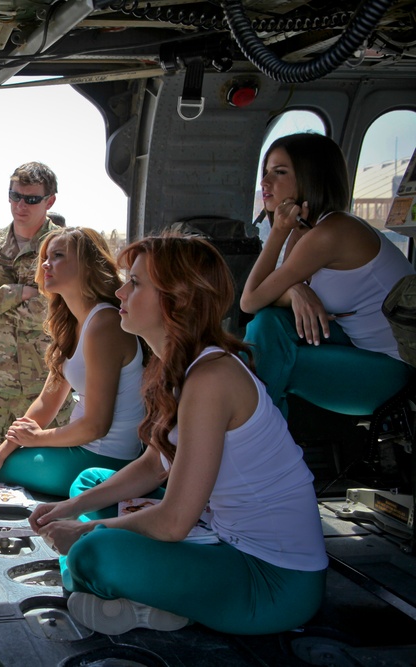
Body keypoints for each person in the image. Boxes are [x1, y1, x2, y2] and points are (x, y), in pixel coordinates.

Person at [31, 234, 327, 636]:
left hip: (272, 582)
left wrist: (81, 530)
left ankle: (123, 586)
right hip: (220, 541)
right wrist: (70, 508)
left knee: (93, 553)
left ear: (177, 300)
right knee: (88, 484)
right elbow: (155, 464)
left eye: (134, 284)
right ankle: (153, 600)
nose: (119, 290)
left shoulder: (211, 378)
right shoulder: (185, 367)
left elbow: (173, 523)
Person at [240, 133, 414, 417]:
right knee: (270, 322)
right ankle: (249, 427)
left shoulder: (330, 233)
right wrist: (295, 289)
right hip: (356, 347)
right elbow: (264, 300)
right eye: (266, 171)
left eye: (280, 172)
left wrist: (278, 233)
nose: (265, 182)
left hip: (392, 372)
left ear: (312, 178)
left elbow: (249, 300)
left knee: (278, 360)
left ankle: (249, 433)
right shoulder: (310, 228)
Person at [0, 227, 144, 497]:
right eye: (45, 257)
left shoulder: (104, 324)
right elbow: (47, 402)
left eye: (58, 256)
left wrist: (37, 438)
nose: (46, 264)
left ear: (87, 266)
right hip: (84, 450)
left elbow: (97, 425)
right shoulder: (72, 323)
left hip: (106, 460)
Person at [0, 161, 73, 467]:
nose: (21, 205)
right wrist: (22, 292)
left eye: (31, 199)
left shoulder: (68, 249)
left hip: (49, 390)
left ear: (50, 201)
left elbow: (64, 309)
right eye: (15, 196)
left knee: (51, 483)